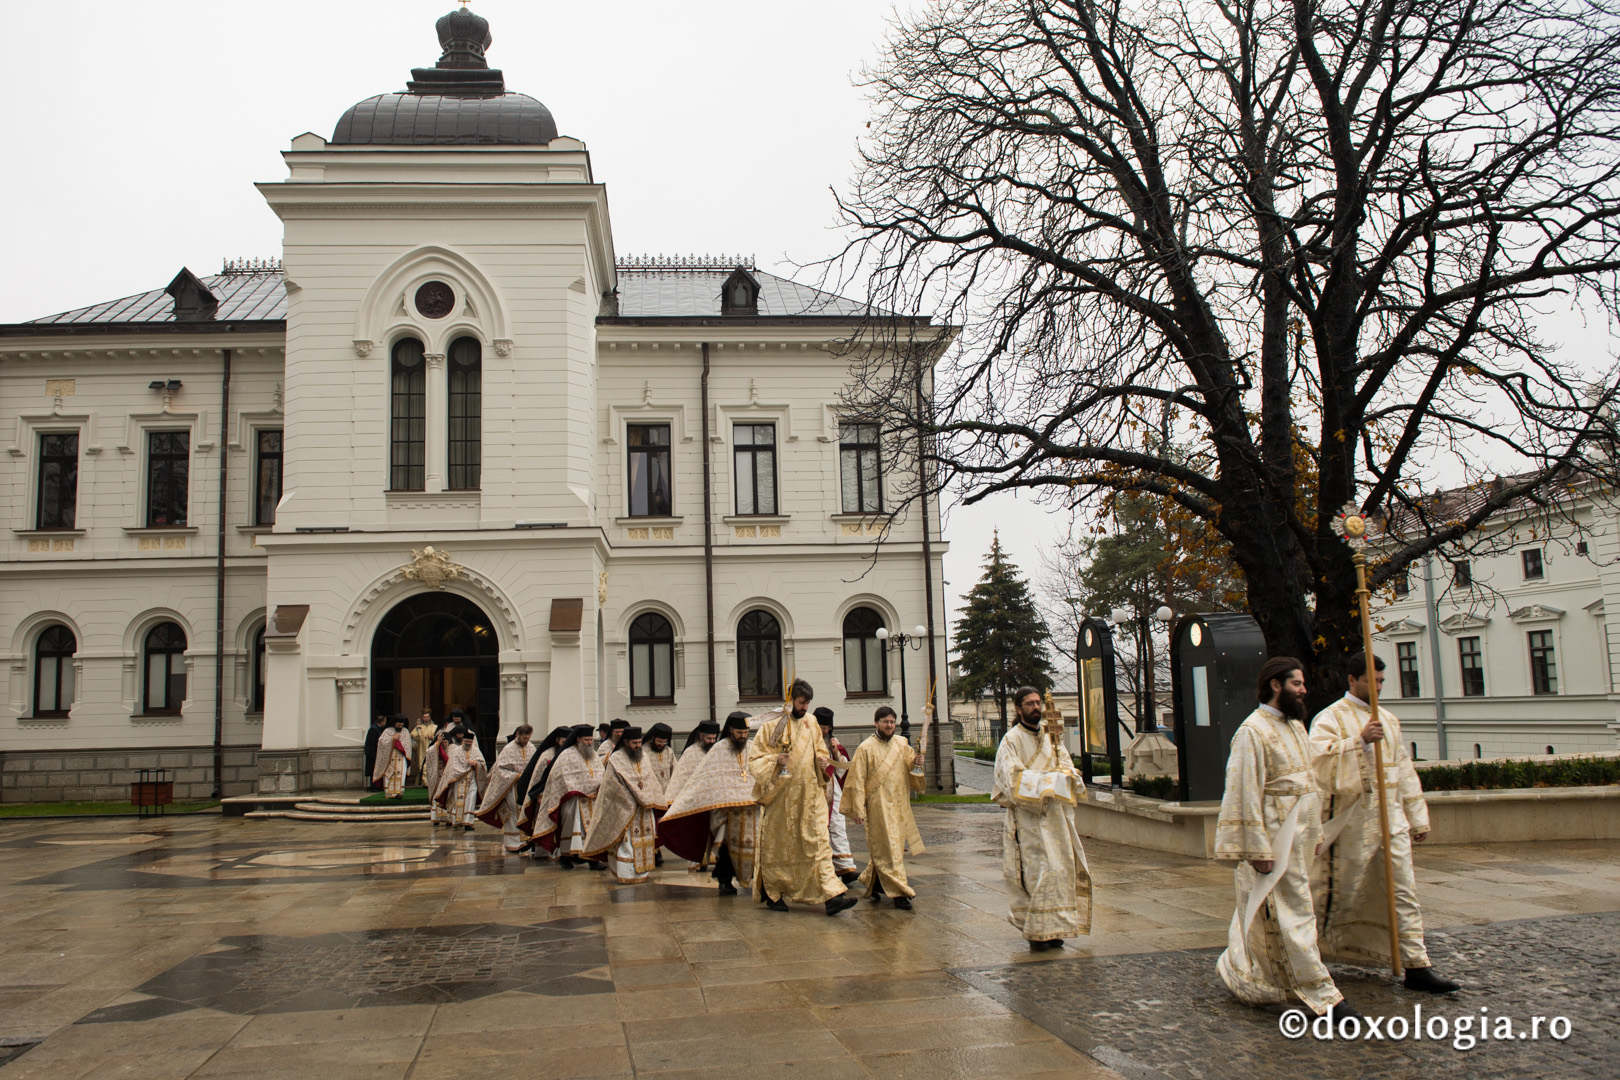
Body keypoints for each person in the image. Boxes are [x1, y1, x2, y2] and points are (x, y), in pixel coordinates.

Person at [1215, 658, 1359, 1021]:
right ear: (1276, 685)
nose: (1304, 689)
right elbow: (1243, 792)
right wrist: (1256, 849)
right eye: (1297, 683)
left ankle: (1244, 973)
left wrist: (1316, 831)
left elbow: (1308, 783)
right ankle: (1326, 998)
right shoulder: (1252, 731)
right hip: (1273, 842)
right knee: (1290, 917)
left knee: (1281, 915)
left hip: (1298, 840)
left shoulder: (1295, 726)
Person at [1309, 655, 1460, 993]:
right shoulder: (1331, 717)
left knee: (1403, 891)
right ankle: (1311, 955)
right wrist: (1358, 742)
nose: (1377, 687)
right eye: (1371, 681)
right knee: (1337, 892)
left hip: (1390, 821)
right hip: (1351, 825)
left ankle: (1416, 965)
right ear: (1353, 680)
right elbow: (1318, 761)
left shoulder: (1389, 720)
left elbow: (1403, 769)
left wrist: (1416, 816)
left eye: (1381, 682)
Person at [991, 687, 1092, 951]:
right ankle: (1036, 932)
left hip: (1056, 819)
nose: (1036, 707)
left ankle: (1054, 927)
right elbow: (1011, 780)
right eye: (1030, 703)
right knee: (1038, 873)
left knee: (1060, 871)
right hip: (1029, 820)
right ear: (1018, 708)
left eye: (1038, 703)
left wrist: (1069, 777)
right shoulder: (1011, 740)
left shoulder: (1052, 737)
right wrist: (1050, 782)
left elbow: (1068, 767)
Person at [748, 680, 858, 916]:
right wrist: (774, 761)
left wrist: (822, 760)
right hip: (781, 799)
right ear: (790, 699)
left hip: (810, 797)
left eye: (808, 703)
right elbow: (756, 759)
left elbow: (820, 747)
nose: (805, 707)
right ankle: (773, 893)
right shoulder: (771, 725)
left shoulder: (811, 722)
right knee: (780, 848)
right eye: (801, 702)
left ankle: (832, 897)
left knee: (818, 844)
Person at [659, 712, 759, 894]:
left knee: (753, 846)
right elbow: (706, 778)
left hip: (750, 811)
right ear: (730, 729)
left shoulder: (753, 747)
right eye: (739, 732)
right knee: (725, 848)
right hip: (725, 811)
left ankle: (751, 879)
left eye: (746, 732)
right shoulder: (719, 749)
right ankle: (724, 881)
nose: (743, 736)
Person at [842, 705, 926, 909]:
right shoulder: (865, 748)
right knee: (886, 848)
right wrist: (857, 810)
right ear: (876, 723)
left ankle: (876, 883)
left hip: (898, 805)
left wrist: (917, 762)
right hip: (877, 807)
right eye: (885, 722)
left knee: (894, 849)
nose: (889, 725)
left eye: (892, 722)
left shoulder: (902, 743)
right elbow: (857, 780)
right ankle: (900, 892)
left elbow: (911, 767)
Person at [582, 727, 669, 883]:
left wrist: (651, 799)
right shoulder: (616, 759)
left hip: (645, 809)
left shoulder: (644, 757)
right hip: (627, 808)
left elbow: (651, 781)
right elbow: (612, 786)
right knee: (627, 842)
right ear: (626, 742)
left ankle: (642, 873)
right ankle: (627, 874)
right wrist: (632, 800)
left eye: (639, 742)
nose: (638, 746)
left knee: (645, 839)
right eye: (634, 743)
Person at [530, 724, 606, 869]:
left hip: (592, 799)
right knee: (574, 828)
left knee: (589, 829)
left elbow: (600, 771)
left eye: (591, 740)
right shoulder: (566, 755)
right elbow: (563, 776)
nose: (590, 743)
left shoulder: (593, 754)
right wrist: (579, 790)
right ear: (578, 739)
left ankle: (585, 858)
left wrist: (598, 787)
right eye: (586, 740)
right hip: (573, 799)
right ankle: (569, 857)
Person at [814, 707, 861, 885]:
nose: (824, 731)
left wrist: (835, 752)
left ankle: (846, 867)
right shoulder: (807, 739)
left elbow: (842, 770)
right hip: (815, 786)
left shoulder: (833, 741)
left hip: (832, 788)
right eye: (821, 727)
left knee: (837, 825)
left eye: (827, 728)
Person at [477, 724, 537, 853]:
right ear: (517, 735)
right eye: (524, 738)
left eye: (528, 738)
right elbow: (500, 769)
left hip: (527, 787)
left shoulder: (531, 747)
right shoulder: (508, 749)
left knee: (527, 812)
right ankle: (513, 843)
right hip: (512, 786)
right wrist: (517, 776)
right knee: (513, 813)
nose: (526, 741)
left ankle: (527, 840)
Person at [433, 727, 487, 830]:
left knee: (471, 799)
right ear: (463, 741)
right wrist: (463, 770)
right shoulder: (456, 751)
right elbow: (452, 766)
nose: (468, 744)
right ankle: (457, 821)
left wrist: (476, 764)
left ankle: (468, 822)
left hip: (472, 779)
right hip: (458, 780)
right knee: (458, 800)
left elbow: (482, 763)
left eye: (470, 742)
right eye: (466, 741)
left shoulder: (476, 750)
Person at [664, 721, 719, 808]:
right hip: (695, 801)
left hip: (714, 799)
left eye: (714, 738)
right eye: (709, 738)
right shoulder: (690, 753)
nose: (712, 741)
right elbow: (680, 778)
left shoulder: (717, 752)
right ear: (701, 736)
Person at [372, 714, 411, 799]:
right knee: (389, 774)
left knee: (400, 774)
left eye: (401, 725)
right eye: (398, 725)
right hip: (389, 757)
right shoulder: (387, 731)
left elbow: (407, 746)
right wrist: (392, 738)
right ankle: (389, 793)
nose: (400, 726)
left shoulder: (405, 731)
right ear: (394, 723)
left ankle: (398, 792)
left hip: (401, 757)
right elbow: (381, 741)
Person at [425, 724, 452, 826]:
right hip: (437, 777)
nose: (444, 745)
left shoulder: (452, 749)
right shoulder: (434, 748)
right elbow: (429, 753)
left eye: (446, 742)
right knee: (437, 797)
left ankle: (447, 819)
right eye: (443, 743)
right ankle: (436, 818)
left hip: (447, 777)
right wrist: (437, 743)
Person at [409, 710, 438, 786]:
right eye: (424, 717)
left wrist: (433, 737)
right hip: (421, 750)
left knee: (431, 766)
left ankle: (431, 783)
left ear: (430, 717)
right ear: (422, 718)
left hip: (431, 748)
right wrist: (418, 728)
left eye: (427, 717)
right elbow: (413, 735)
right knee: (421, 766)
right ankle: (424, 783)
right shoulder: (419, 727)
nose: (426, 718)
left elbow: (439, 737)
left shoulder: (435, 727)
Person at [364, 714, 386, 791]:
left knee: (375, 770)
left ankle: (376, 786)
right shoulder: (374, 730)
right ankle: (374, 787)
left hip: (374, 754)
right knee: (373, 771)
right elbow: (373, 743)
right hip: (373, 755)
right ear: (382, 722)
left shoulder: (376, 729)